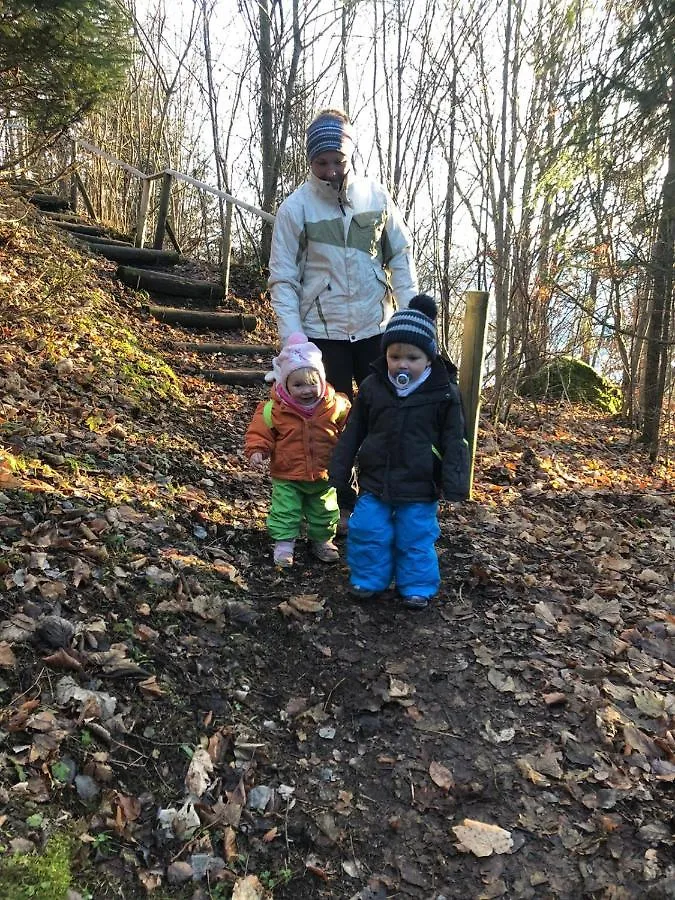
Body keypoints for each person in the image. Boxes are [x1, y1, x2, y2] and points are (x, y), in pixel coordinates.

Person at [268, 108, 418, 402]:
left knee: (386, 414)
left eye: (339, 160)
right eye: (321, 162)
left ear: (350, 155)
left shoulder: (376, 197)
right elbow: (283, 279)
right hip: (320, 336)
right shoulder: (295, 209)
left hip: (375, 328)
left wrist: (411, 315)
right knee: (328, 424)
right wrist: (294, 340)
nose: (331, 170)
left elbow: (400, 255)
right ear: (310, 160)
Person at [329, 294, 470, 609]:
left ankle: (416, 586)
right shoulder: (372, 387)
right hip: (376, 479)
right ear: (386, 356)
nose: (402, 364)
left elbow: (454, 438)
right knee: (366, 528)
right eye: (394, 356)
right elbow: (354, 431)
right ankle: (369, 579)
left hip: (420, 482)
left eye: (412, 357)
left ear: (428, 359)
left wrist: (454, 480)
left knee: (415, 536)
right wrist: (339, 469)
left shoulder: (443, 393)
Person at [245, 333, 351, 568]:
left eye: (312, 383)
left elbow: (353, 427)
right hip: (287, 474)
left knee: (325, 510)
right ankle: (284, 543)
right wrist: (257, 450)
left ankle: (322, 540)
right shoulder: (274, 410)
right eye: (298, 384)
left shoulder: (337, 406)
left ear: (322, 381)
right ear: (285, 384)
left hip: (323, 473)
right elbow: (260, 432)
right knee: (285, 510)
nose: (306, 390)